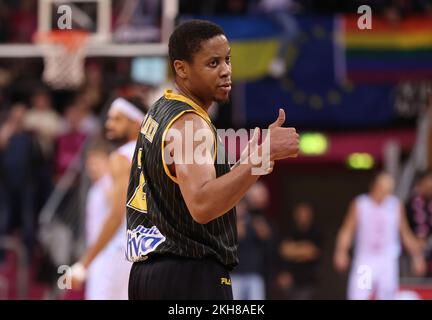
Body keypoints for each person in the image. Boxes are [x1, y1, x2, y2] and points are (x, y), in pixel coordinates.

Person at [126, 19, 299, 300]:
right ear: (181, 68)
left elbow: (181, 190)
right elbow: (203, 204)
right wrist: (262, 155)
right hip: (189, 275)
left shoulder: (160, 110)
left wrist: (247, 161)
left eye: (227, 60)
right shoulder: (189, 122)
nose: (226, 71)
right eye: (213, 63)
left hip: (148, 275)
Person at [70, 97, 146, 299]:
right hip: (144, 253)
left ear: (136, 122)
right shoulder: (156, 155)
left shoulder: (121, 157)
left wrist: (85, 263)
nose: (108, 124)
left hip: (115, 252)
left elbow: (116, 216)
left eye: (117, 119)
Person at [334, 172, 426, 300]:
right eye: (383, 189)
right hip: (366, 260)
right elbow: (347, 230)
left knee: (387, 296)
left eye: (389, 190)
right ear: (375, 186)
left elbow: (405, 233)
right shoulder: (361, 203)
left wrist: (417, 256)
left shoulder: (394, 205)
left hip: (387, 260)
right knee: (359, 294)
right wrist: (341, 251)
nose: (385, 194)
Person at [276, 203, 321, 300]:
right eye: (300, 214)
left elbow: (312, 252)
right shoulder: (289, 230)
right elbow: (284, 251)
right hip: (290, 279)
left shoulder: (316, 232)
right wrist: (303, 249)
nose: (303, 217)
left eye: (305, 214)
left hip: (308, 280)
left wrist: (294, 249)